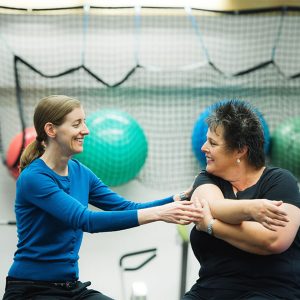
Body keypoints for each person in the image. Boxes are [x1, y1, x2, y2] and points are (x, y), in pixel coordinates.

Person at [2, 95, 203, 300]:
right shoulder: (34, 178)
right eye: (77, 124)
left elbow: (125, 206)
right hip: (31, 290)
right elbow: (85, 220)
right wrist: (160, 213)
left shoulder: (81, 172)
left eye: (85, 122)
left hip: (70, 287)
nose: (86, 130)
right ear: (51, 130)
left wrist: (178, 198)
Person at [183, 99, 300, 300]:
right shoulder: (206, 179)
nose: (203, 147)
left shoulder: (280, 181)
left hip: (272, 291)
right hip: (210, 290)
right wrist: (251, 209)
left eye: (212, 142)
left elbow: (274, 240)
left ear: (240, 150)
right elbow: (211, 205)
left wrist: (211, 224)